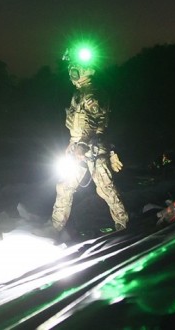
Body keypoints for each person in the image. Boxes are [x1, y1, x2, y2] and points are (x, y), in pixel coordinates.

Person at [49, 45, 129, 235]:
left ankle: (123, 225)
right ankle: (55, 227)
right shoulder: (80, 93)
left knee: (106, 189)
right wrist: (72, 144)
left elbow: (93, 121)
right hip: (78, 147)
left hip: (94, 149)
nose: (71, 74)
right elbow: (77, 124)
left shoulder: (94, 93)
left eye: (74, 70)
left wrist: (82, 144)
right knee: (64, 187)